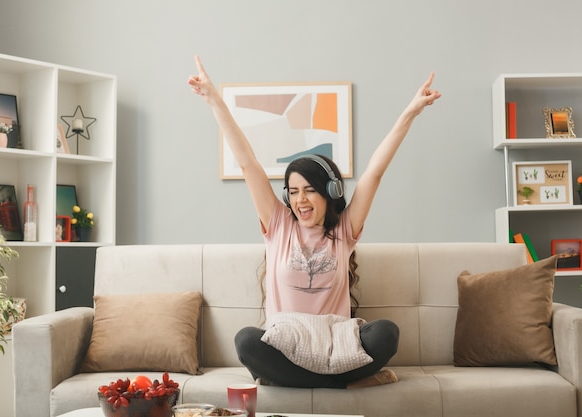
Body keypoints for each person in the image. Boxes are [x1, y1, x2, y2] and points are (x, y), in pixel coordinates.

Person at [188, 56, 441, 389]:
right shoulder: (278, 225)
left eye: (309, 190)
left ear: (330, 192)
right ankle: (341, 385)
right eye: (293, 192)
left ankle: (293, 382)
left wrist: (410, 112)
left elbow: (374, 173)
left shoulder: (343, 230)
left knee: (386, 334)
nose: (300, 200)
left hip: (337, 343)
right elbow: (248, 163)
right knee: (246, 340)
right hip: (286, 341)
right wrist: (214, 100)